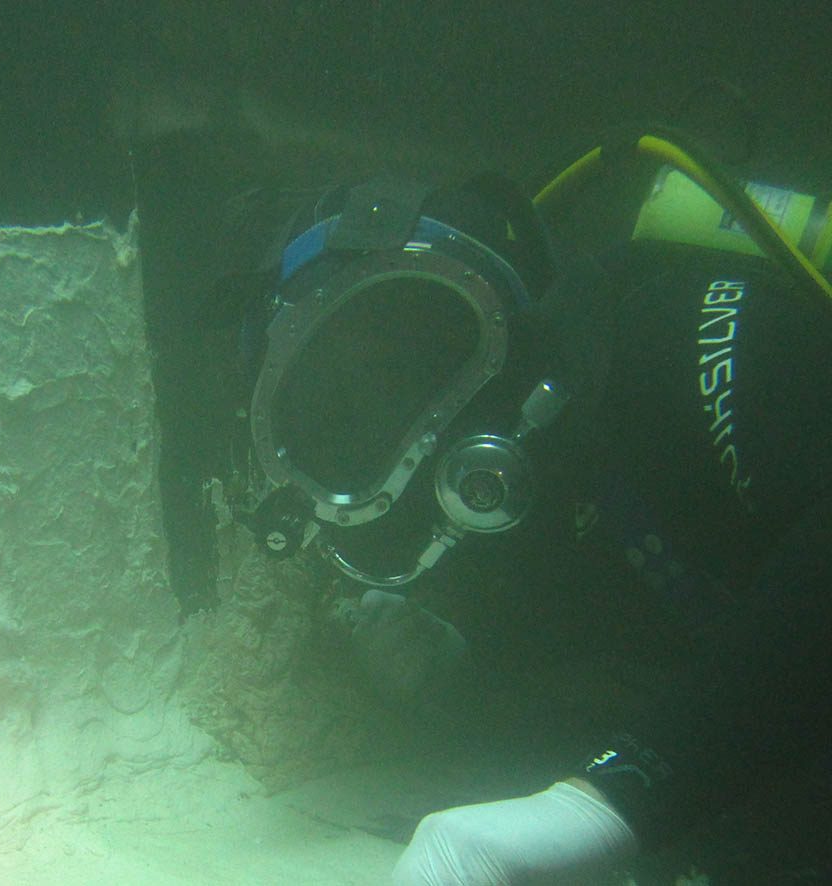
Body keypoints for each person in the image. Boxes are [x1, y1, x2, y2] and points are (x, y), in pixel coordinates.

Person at [219, 130, 832, 884]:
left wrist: (609, 800)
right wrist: (465, 684)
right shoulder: (520, 551)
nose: (413, 427)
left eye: (416, 351)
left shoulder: (707, 333)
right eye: (341, 422)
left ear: (500, 309)